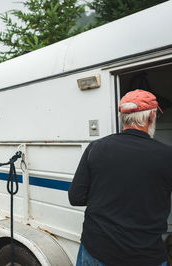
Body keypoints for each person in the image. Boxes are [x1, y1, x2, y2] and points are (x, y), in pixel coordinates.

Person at [68, 89, 172, 266]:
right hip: (145, 255)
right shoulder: (167, 155)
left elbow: (76, 197)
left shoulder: (96, 148)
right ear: (151, 117)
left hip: (96, 249)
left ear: (122, 118)